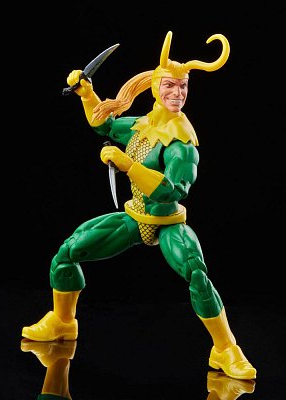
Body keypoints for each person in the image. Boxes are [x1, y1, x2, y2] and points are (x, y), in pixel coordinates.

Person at [22, 31, 256, 380]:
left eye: (183, 87)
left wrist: (129, 166)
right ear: (155, 88)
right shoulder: (142, 126)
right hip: (134, 217)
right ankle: (62, 321)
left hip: (168, 224)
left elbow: (173, 191)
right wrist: (87, 95)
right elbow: (104, 124)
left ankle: (226, 349)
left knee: (196, 273)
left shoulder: (182, 144)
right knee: (68, 253)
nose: (178, 93)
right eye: (170, 86)